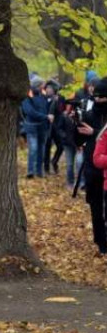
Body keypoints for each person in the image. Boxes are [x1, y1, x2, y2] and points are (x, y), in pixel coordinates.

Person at [76, 78, 107, 256]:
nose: (98, 101)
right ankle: (101, 241)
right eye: (96, 97)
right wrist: (75, 125)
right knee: (95, 208)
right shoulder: (89, 115)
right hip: (92, 168)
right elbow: (78, 140)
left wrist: (94, 133)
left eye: (102, 97)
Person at [21, 77, 52, 179]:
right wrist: (45, 117)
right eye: (41, 85)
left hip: (43, 128)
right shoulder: (27, 97)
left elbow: (48, 109)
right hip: (32, 127)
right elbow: (30, 112)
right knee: (33, 149)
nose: (43, 87)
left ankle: (39, 171)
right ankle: (30, 171)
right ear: (37, 86)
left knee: (41, 150)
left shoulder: (43, 96)